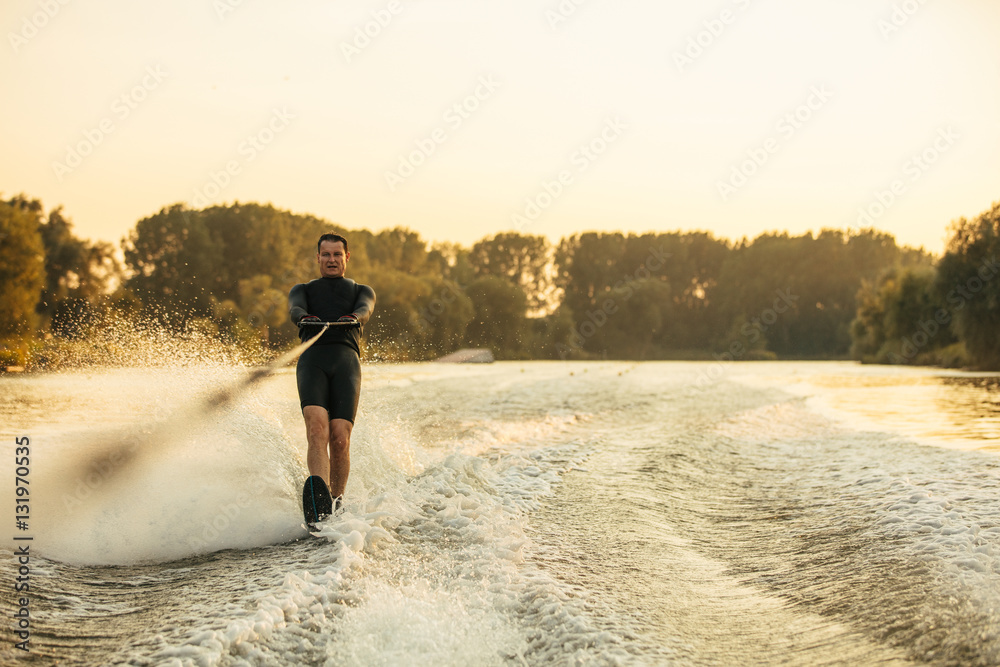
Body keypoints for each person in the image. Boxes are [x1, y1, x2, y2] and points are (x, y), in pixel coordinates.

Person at [288, 233, 375, 523]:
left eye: (337, 254)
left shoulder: (362, 290)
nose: (331, 260)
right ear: (318, 258)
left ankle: (336, 503)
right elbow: (295, 308)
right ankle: (319, 498)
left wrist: (354, 318)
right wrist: (303, 317)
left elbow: (365, 310)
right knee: (317, 429)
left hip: (346, 363)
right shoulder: (302, 289)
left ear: (346, 257)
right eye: (325, 255)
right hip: (313, 361)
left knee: (339, 439)